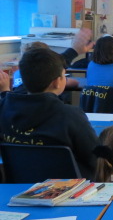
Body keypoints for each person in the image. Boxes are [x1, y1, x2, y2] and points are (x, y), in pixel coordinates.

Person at [0, 48, 100, 179]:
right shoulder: (70, 116)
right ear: (57, 82)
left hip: (17, 189)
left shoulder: (4, 109)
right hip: (67, 192)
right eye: (64, 75)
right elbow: (96, 159)